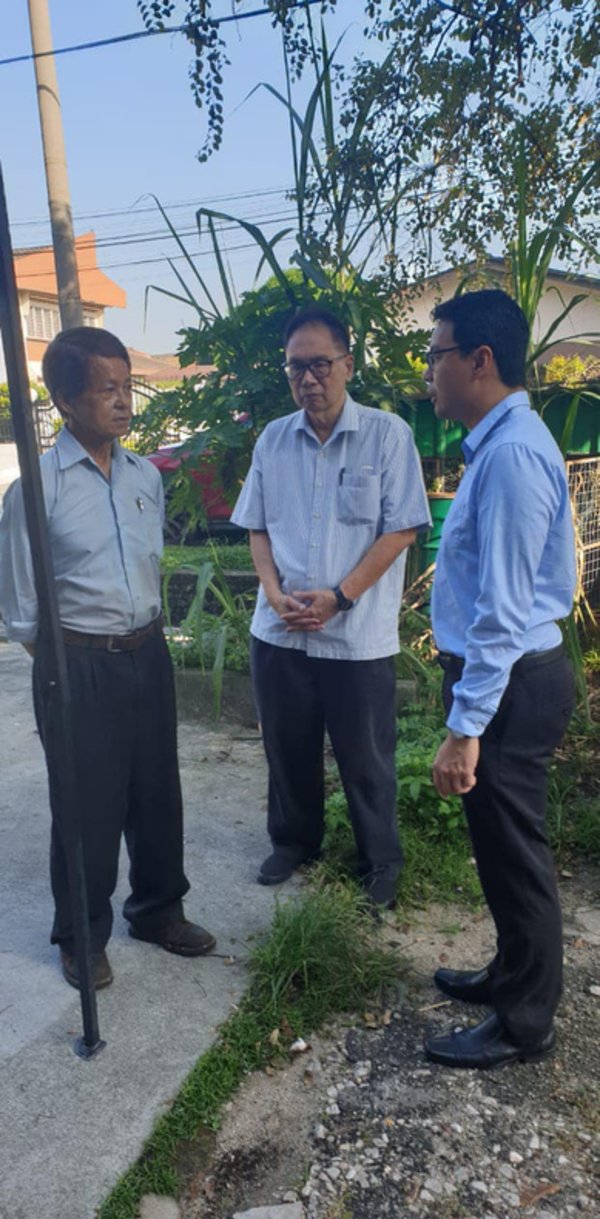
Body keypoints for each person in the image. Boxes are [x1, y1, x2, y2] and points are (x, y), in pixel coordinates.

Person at [0, 327, 216, 989]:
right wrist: (69, 664)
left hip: (146, 654)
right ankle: (81, 936)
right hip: (76, 663)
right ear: (65, 400)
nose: (124, 402)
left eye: (128, 386)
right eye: (106, 389)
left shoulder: (143, 474)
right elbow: (20, 605)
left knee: (156, 791)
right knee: (87, 802)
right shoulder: (36, 488)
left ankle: (156, 910)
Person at [231, 305, 431, 909]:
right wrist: (271, 595)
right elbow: (257, 527)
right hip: (282, 632)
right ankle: (294, 842)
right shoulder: (273, 438)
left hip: (356, 634)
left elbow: (402, 531)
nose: (309, 378)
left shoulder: (386, 434)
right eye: (297, 367)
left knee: (366, 757)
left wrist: (341, 596)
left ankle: (380, 862)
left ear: (348, 363)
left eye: (320, 364)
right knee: (286, 749)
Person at [423, 289, 576, 1070]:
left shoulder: (513, 455)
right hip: (508, 680)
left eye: (436, 354)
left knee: (516, 858)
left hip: (513, 682)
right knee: (498, 849)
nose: (429, 374)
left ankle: (526, 1023)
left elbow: (503, 612)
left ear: (480, 361)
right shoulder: (502, 441)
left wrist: (464, 727)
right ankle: (510, 974)